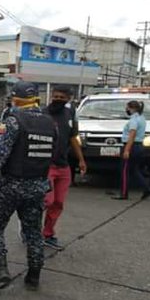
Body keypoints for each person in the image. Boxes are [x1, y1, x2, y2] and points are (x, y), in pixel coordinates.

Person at [0, 81, 57, 291]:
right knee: (33, 231)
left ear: (16, 99)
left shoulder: (13, 120)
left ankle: (1, 270)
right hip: (37, 185)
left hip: (11, 185)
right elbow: (52, 155)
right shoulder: (50, 123)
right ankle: (34, 276)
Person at [42, 85, 87, 250]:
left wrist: (81, 159)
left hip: (64, 166)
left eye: (62, 97)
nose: (58, 99)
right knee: (47, 200)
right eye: (56, 96)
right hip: (46, 166)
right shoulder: (43, 114)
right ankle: (29, 228)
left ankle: (47, 234)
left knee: (58, 203)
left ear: (68, 99)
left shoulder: (70, 114)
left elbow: (73, 138)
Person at [112, 100, 150, 200]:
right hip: (139, 146)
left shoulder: (134, 120)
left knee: (125, 170)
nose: (126, 110)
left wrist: (126, 150)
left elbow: (132, 135)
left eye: (127, 108)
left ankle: (124, 193)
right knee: (134, 170)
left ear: (132, 108)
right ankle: (146, 188)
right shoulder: (142, 118)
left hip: (132, 146)